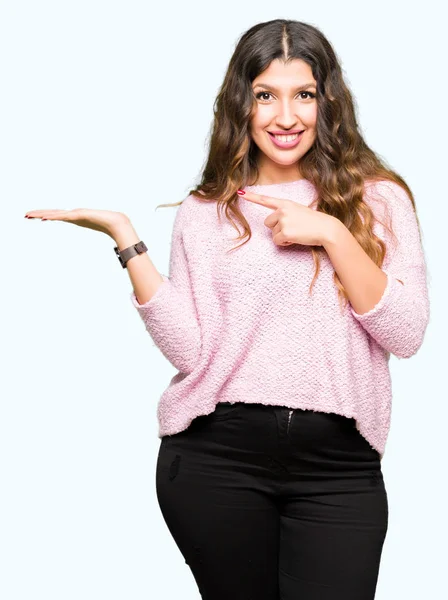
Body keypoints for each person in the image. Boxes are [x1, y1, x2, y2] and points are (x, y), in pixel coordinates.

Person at [24, 18, 430, 600]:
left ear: (328, 102)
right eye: (266, 95)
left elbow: (406, 331)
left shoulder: (378, 199)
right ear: (242, 103)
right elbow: (193, 351)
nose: (285, 116)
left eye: (304, 95)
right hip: (217, 459)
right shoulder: (206, 210)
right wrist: (126, 239)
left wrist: (334, 236)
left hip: (337, 469)